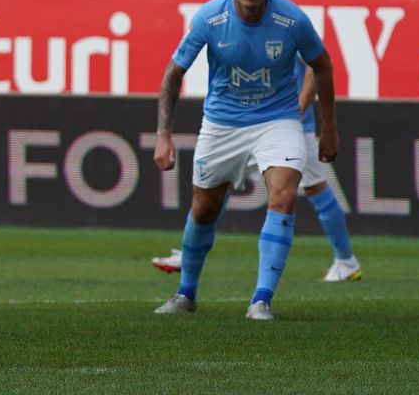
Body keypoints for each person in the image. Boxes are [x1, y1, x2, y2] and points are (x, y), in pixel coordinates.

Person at [153, 0, 339, 321]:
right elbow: (174, 73)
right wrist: (163, 134)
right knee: (204, 209)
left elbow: (322, 66)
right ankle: (186, 292)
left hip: (278, 120)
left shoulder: (293, 20)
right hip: (222, 123)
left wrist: (328, 127)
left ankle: (261, 299)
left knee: (284, 197)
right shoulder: (210, 17)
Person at [151, 59, 362, 283]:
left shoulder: (289, 24)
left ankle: (346, 260)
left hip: (288, 126)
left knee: (315, 188)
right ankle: (190, 253)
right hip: (255, 123)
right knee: (220, 184)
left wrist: (298, 109)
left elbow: (314, 67)